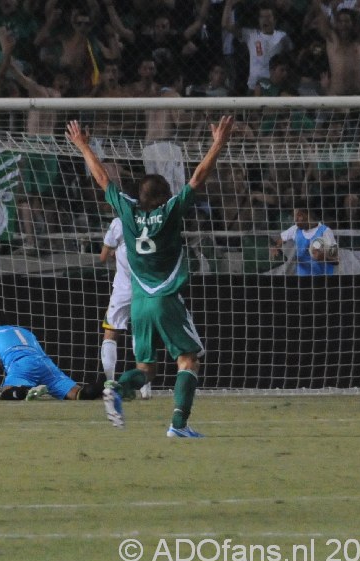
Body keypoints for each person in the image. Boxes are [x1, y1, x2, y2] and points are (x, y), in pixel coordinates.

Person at [66, 114, 235, 436]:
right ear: (163, 196)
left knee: (146, 368)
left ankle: (117, 387)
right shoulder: (170, 212)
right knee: (187, 360)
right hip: (166, 298)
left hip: (139, 303)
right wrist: (218, 143)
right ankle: (179, 425)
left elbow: (103, 179)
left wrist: (82, 145)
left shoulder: (127, 213)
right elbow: (198, 178)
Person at [0, 313, 105, 405]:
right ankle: (107, 386)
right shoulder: (25, 331)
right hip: (45, 363)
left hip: (20, 364)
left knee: (7, 393)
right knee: (79, 393)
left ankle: (26, 391)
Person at [99, 217, 151, 401]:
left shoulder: (119, 222)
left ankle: (110, 383)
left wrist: (115, 253)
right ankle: (145, 388)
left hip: (123, 290)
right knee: (141, 335)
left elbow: (103, 257)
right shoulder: (156, 218)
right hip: (147, 287)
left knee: (111, 333)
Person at [222, 0, 293, 94]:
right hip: (253, 87)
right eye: (262, 17)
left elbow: (291, 58)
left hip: (274, 87)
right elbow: (226, 25)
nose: (265, 20)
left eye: (268, 17)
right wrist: (229, 3)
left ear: (275, 20)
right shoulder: (251, 34)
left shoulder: (282, 37)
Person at [270, 207, 339, 275]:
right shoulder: (295, 229)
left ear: (307, 215)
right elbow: (280, 239)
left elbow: (336, 260)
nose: (295, 221)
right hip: (302, 277)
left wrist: (323, 257)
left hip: (322, 277)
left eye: (298, 216)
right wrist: (276, 247)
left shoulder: (325, 231)